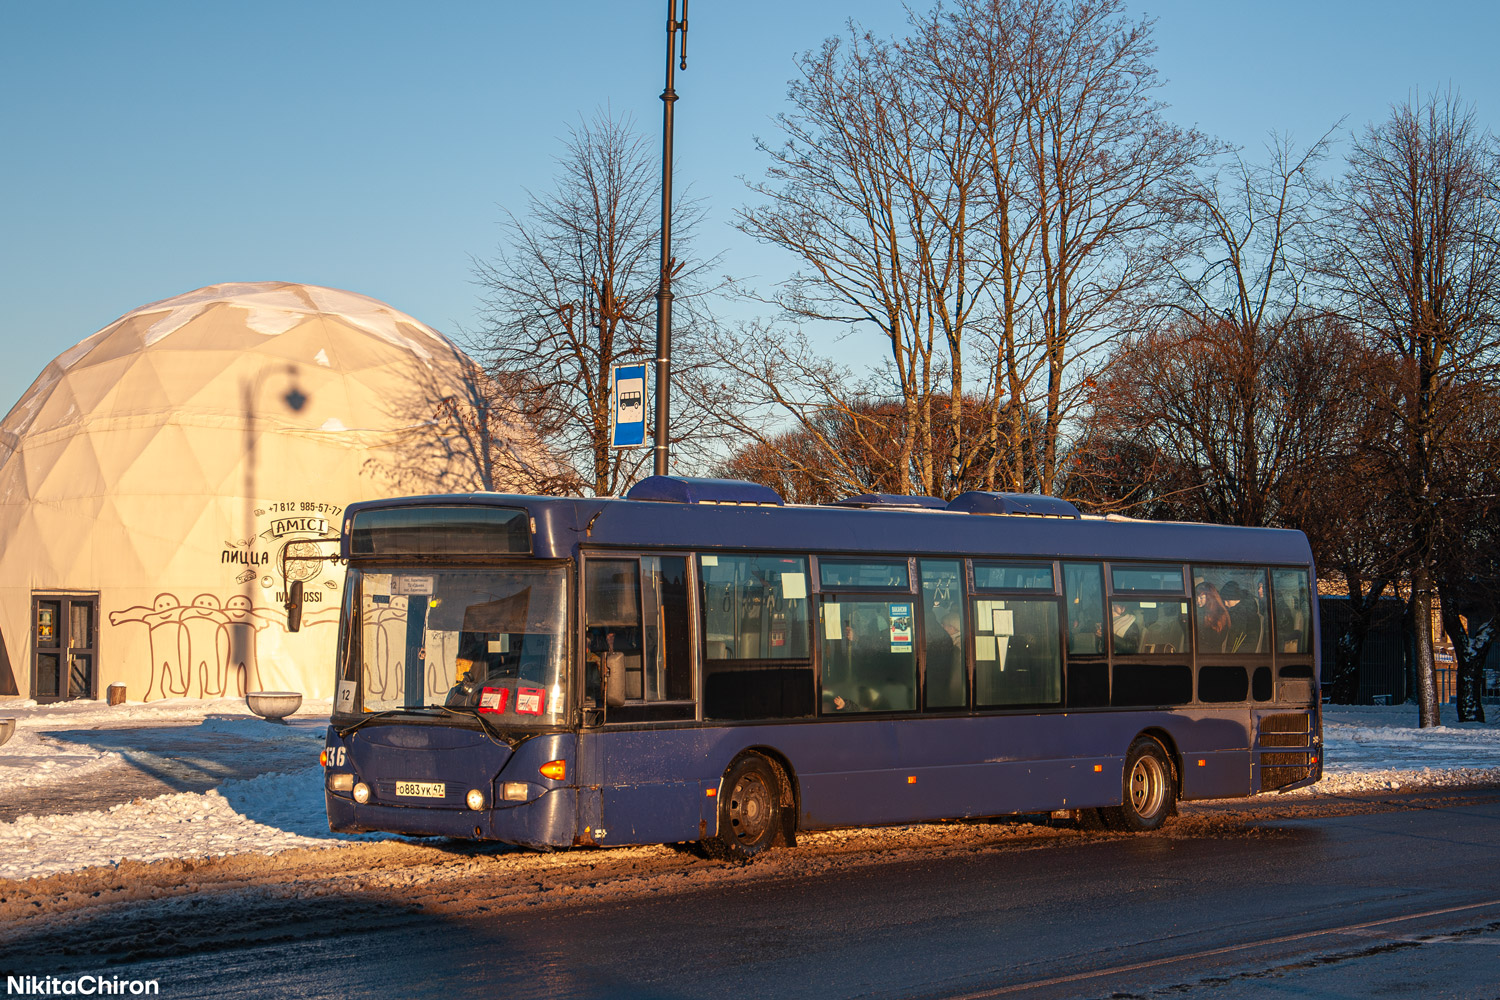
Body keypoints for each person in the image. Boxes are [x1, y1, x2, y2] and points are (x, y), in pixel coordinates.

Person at [1195, 582, 1231, 653]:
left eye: (1201, 598)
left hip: (1211, 654)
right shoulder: (1198, 611)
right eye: (1196, 597)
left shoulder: (1220, 614)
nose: (1198, 601)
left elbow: (1216, 640)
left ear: (1209, 598)